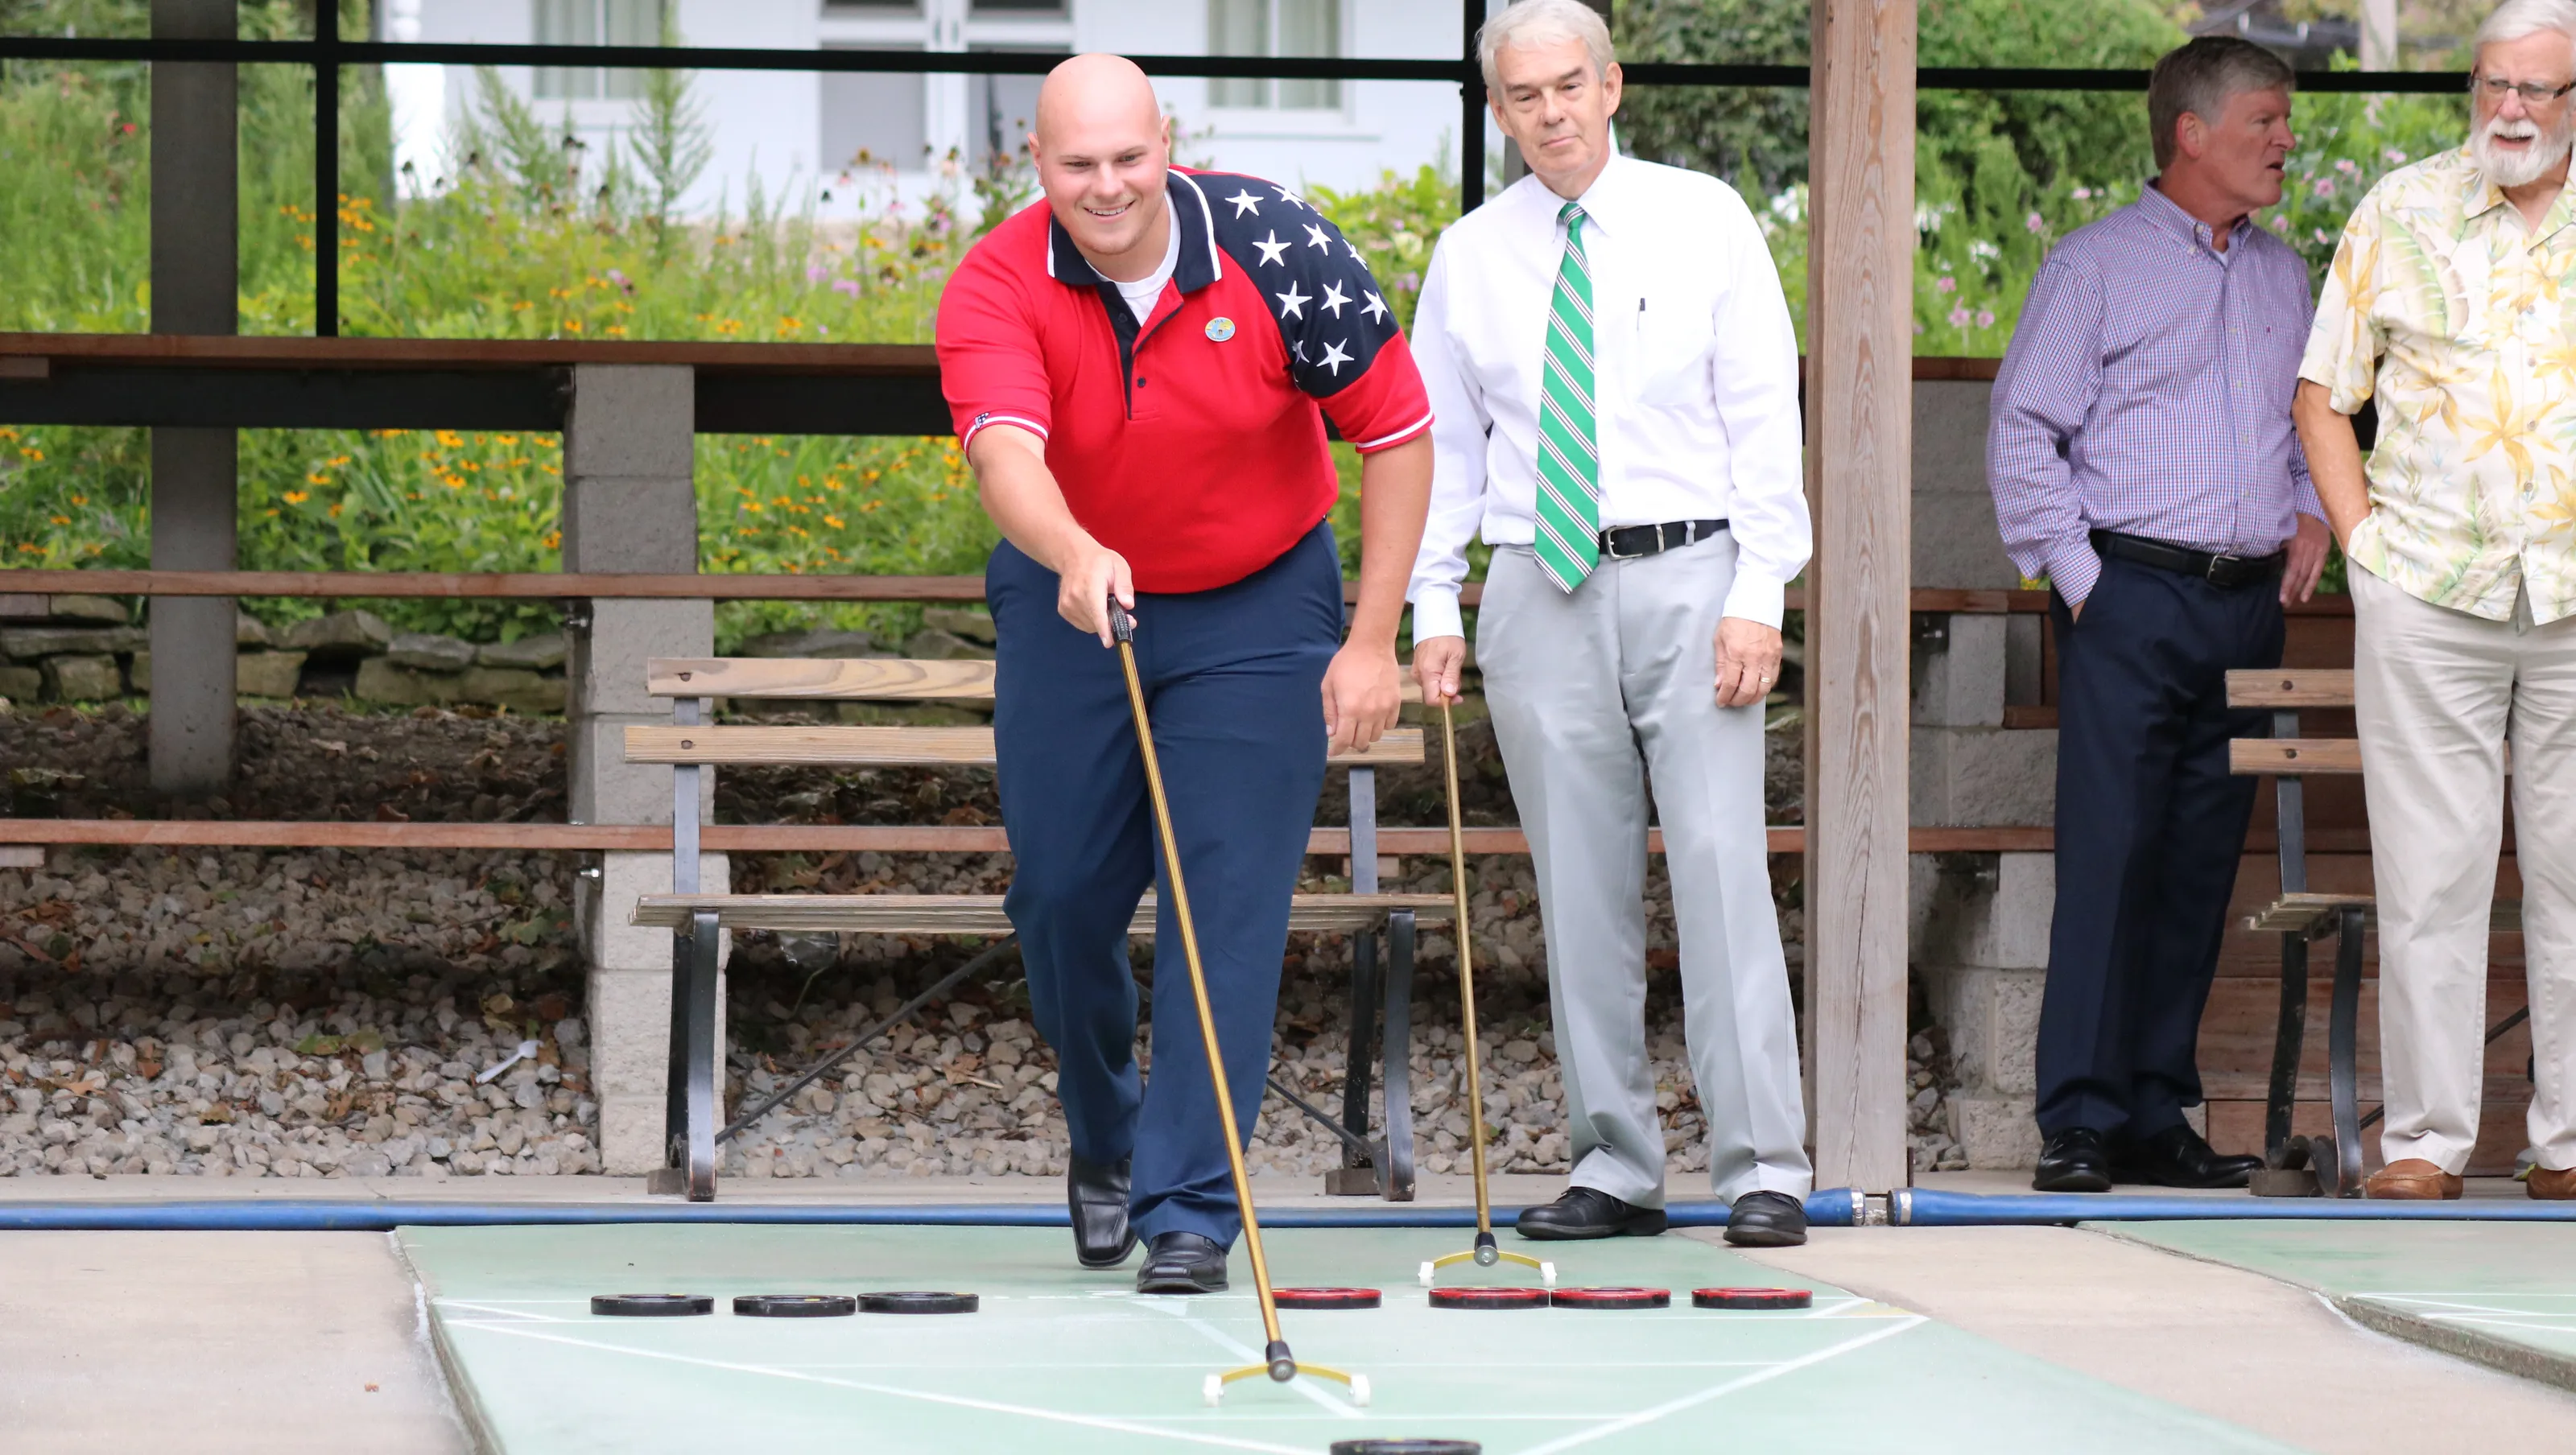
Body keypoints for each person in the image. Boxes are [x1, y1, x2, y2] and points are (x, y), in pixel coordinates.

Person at [936, 54, 1437, 1287]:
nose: (1107, 187)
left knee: (1227, 905)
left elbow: (1401, 432)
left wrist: (1371, 638)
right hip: (1075, 595)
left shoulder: (1276, 244)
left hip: (1260, 602)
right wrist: (1070, 550)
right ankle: (1105, 1138)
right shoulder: (998, 280)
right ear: (1036, 165)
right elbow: (1006, 457)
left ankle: (1189, 1206)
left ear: (1169, 143)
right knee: (1058, 897)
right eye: (1077, 165)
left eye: (1127, 158)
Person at [1407, 0, 1813, 1249]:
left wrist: (1761, 593)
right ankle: (1616, 1163)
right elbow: (1441, 448)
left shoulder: (1703, 219)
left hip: (1693, 574)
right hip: (1541, 581)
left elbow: (1763, 414)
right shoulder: (1469, 255)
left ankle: (1763, 1168)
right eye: (1524, 96)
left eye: (1569, 86)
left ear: (1612, 84)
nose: (1551, 113)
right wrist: (1433, 601)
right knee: (1578, 888)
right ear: (1500, 109)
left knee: (1719, 868)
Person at [1988, 35, 2331, 1193]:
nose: (2287, 141)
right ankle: (2076, 1121)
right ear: (2192, 133)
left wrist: (2309, 514)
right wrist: (2086, 585)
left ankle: (2152, 1113)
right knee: (2110, 858)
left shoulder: (2288, 277)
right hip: (2127, 598)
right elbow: (2025, 432)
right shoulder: (2092, 268)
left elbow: (2302, 428)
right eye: (2266, 123)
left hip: (2246, 611)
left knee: (2195, 867)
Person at [2293, 0, 2576, 1203]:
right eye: (2493, 85)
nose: (2509, 110)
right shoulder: (2398, 210)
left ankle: (2566, 1147)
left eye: (2538, 92)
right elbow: (2323, 395)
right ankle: (2425, 1140)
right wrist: (2363, 545)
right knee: (2431, 875)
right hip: (2428, 595)